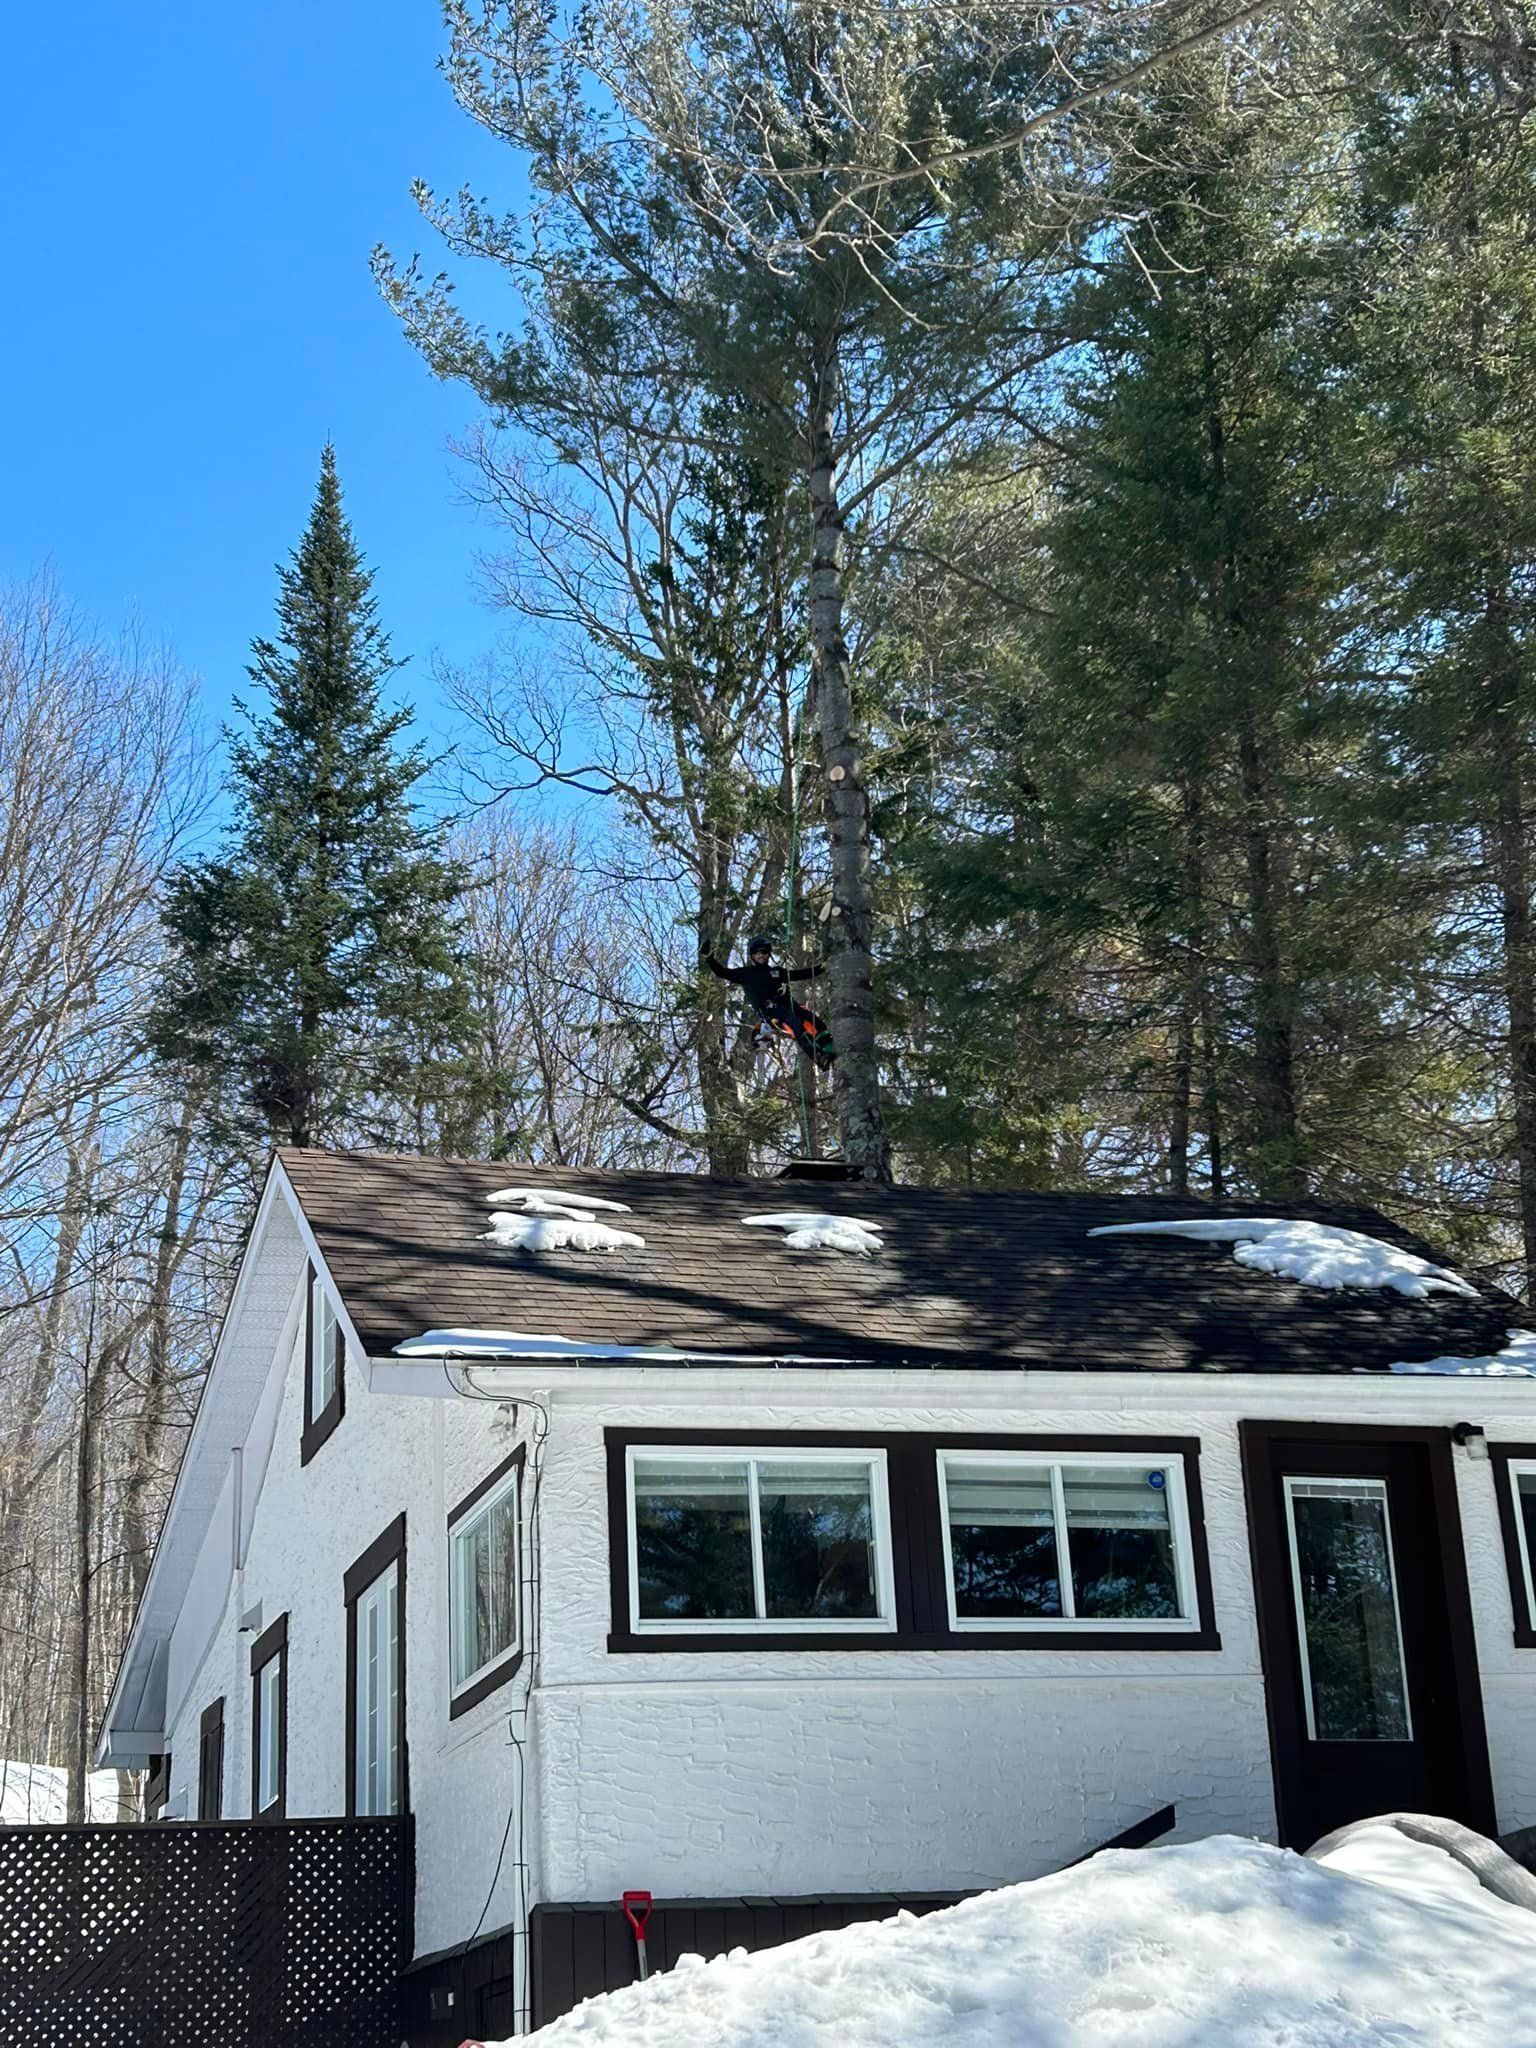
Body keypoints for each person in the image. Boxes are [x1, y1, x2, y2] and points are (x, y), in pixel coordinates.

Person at [703, 934, 836, 1068]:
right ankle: (818, 1057)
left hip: (789, 1006)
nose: (760, 955)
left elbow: (799, 975)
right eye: (756, 952)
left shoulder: (776, 972)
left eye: (764, 952)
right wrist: (708, 957)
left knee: (817, 1022)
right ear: (752, 955)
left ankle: (829, 1049)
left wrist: (822, 967)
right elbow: (722, 972)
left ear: (768, 954)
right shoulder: (746, 973)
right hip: (770, 1011)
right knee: (796, 1024)